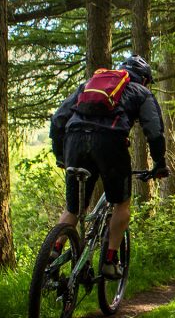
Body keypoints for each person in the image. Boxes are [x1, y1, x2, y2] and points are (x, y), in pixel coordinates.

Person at [49, 55, 168, 278]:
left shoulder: (88, 85)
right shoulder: (141, 92)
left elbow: (58, 120)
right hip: (110, 142)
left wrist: (61, 155)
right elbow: (154, 132)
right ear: (144, 79)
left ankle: (54, 251)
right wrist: (159, 164)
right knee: (121, 204)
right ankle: (110, 261)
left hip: (73, 141)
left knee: (73, 208)